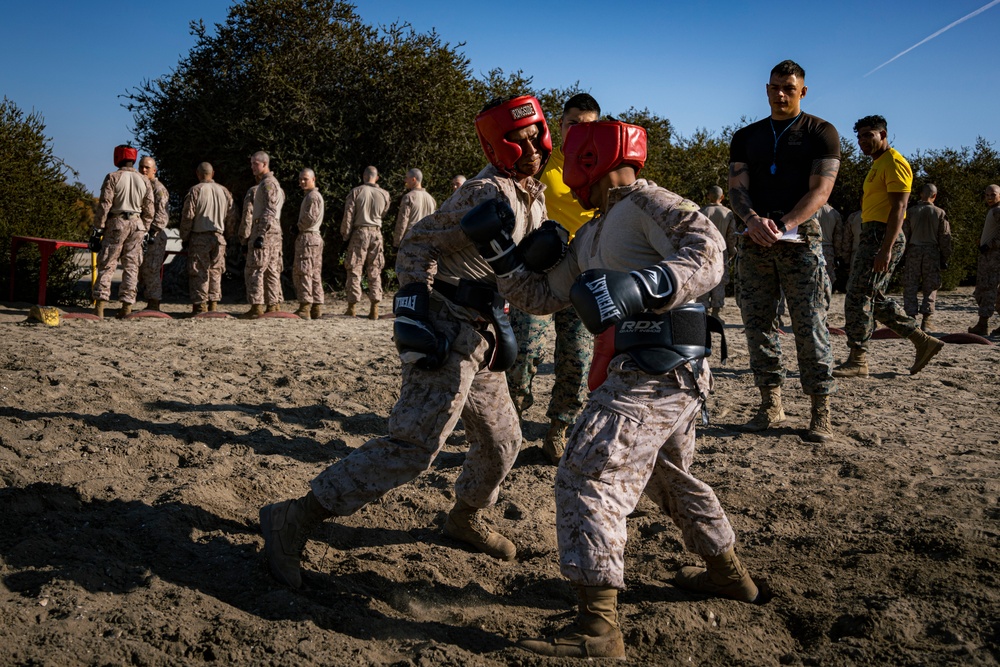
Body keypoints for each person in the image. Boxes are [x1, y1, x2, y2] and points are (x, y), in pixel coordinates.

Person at [468, 119, 753, 659]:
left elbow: (710, 250)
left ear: (592, 156)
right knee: (667, 479)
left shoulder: (648, 202)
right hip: (661, 376)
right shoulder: (594, 231)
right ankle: (728, 574)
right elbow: (541, 296)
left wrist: (648, 285)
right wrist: (504, 254)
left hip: (653, 373)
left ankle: (597, 629)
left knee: (586, 474)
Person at [259, 95, 550, 591]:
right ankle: (295, 517)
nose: (533, 149)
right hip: (449, 324)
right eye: (520, 141)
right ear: (497, 145)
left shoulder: (533, 194)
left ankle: (463, 518)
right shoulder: (485, 193)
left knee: (504, 442)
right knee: (416, 446)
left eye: (536, 136)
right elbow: (417, 242)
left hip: (485, 330)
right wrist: (415, 308)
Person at [728, 60, 840, 442]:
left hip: (800, 241)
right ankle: (770, 404)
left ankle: (819, 409)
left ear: (802, 92)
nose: (781, 94)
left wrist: (786, 224)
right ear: (766, 88)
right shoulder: (746, 136)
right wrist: (754, 220)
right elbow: (736, 188)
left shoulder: (822, 132)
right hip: (755, 239)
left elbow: (821, 190)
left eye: (789, 88)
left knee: (810, 324)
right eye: (775, 87)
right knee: (758, 325)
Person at [508, 92, 599, 464]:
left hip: (585, 274)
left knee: (577, 357)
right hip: (540, 272)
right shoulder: (541, 162)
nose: (579, 130)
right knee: (524, 352)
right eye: (572, 123)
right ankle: (509, 424)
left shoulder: (603, 164)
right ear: (559, 125)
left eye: (588, 125)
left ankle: (558, 430)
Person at [834, 116, 944, 377]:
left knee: (859, 296)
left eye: (868, 135)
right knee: (870, 296)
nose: (863, 141)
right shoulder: (877, 164)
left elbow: (899, 208)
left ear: (883, 134)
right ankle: (922, 340)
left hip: (883, 236)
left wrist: (886, 249)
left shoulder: (894, 163)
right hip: (873, 234)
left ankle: (858, 360)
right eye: (859, 137)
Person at [90, 145, 154, 318]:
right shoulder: (144, 180)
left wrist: (98, 227)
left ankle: (100, 306)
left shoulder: (113, 177)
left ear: (117, 157)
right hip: (137, 224)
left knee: (108, 263)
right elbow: (149, 208)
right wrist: (145, 227)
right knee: (132, 266)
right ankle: (126, 307)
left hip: (117, 222)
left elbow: (105, 204)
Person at [179, 162, 235, 314]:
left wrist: (184, 236)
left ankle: (200, 304)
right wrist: (228, 235)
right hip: (219, 237)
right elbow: (231, 216)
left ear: (198, 174)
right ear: (213, 173)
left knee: (199, 271)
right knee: (216, 271)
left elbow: (188, 216)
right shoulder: (224, 191)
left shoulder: (195, 190)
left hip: (199, 236)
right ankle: (214, 304)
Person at [341, 166, 391, 319]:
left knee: (355, 267)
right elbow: (384, 212)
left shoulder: (356, 192)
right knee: (375, 268)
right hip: (376, 232)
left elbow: (348, 216)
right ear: (377, 177)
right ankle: (374, 307)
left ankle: (352, 305)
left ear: (364, 176)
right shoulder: (384, 194)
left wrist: (345, 235)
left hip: (360, 231)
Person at [241, 151, 285, 319]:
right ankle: (273, 305)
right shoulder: (272, 184)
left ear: (265, 164)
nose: (252, 167)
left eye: (255, 164)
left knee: (256, 268)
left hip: (264, 229)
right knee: (271, 269)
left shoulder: (268, 184)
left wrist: (260, 233)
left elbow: (270, 209)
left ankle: (257, 306)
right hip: (272, 231)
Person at [902, 184, 952, 332]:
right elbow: (945, 237)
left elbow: (904, 234)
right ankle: (927, 320)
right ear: (935, 196)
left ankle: (910, 318)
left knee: (910, 285)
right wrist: (945, 257)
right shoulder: (939, 213)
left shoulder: (910, 212)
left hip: (913, 250)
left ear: (920, 194)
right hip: (932, 251)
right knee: (930, 287)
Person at [696, 185, 738, 320]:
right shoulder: (728, 213)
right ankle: (716, 312)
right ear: (722, 197)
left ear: (708, 195)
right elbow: (731, 235)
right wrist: (732, 250)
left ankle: (703, 309)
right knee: (719, 280)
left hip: (704, 250)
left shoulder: (700, 212)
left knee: (704, 279)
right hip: (721, 250)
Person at [137, 156, 170, 311]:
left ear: (154, 170)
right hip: (141, 234)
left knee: (152, 268)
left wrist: (151, 231)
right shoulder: (140, 186)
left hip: (154, 235)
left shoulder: (158, 189)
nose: (143, 170)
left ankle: (154, 302)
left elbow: (162, 215)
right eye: (141, 167)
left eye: (147, 168)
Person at [292, 168, 326, 319]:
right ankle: (316, 306)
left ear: (314, 179)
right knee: (314, 272)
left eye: (305, 179)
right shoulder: (311, 196)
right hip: (313, 237)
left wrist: (298, 226)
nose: (302, 182)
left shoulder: (313, 197)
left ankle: (305, 306)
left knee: (305, 271)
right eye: (300, 179)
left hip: (308, 237)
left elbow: (310, 218)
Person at [969, 184, 1000, 336]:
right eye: (987, 195)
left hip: (993, 258)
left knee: (987, 289)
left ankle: (982, 324)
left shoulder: (998, 211)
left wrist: (989, 245)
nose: (989, 198)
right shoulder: (993, 211)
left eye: (993, 195)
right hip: (989, 257)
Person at [392, 168, 437, 248]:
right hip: (427, 238)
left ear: (413, 179)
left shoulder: (409, 197)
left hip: (412, 238)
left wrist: (397, 242)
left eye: (407, 178)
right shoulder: (431, 199)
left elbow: (402, 221)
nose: (405, 180)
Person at [815, 203, 843, 286]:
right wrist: (838, 254)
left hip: (812, 247)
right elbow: (838, 237)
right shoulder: (834, 213)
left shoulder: (810, 209)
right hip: (828, 250)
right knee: (828, 280)